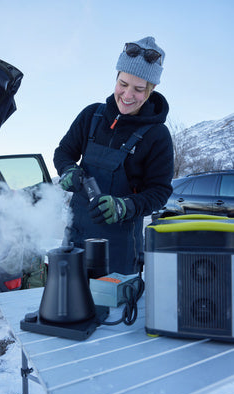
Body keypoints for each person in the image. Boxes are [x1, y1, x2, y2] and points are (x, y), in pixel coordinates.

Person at [54, 36, 174, 275]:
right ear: (116, 77)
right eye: (123, 84)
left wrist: (124, 206)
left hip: (119, 249)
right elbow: (64, 153)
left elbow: (160, 192)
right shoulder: (91, 116)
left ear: (151, 90)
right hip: (75, 238)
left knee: (113, 310)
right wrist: (68, 170)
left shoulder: (157, 135)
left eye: (139, 89)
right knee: (66, 304)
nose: (128, 95)